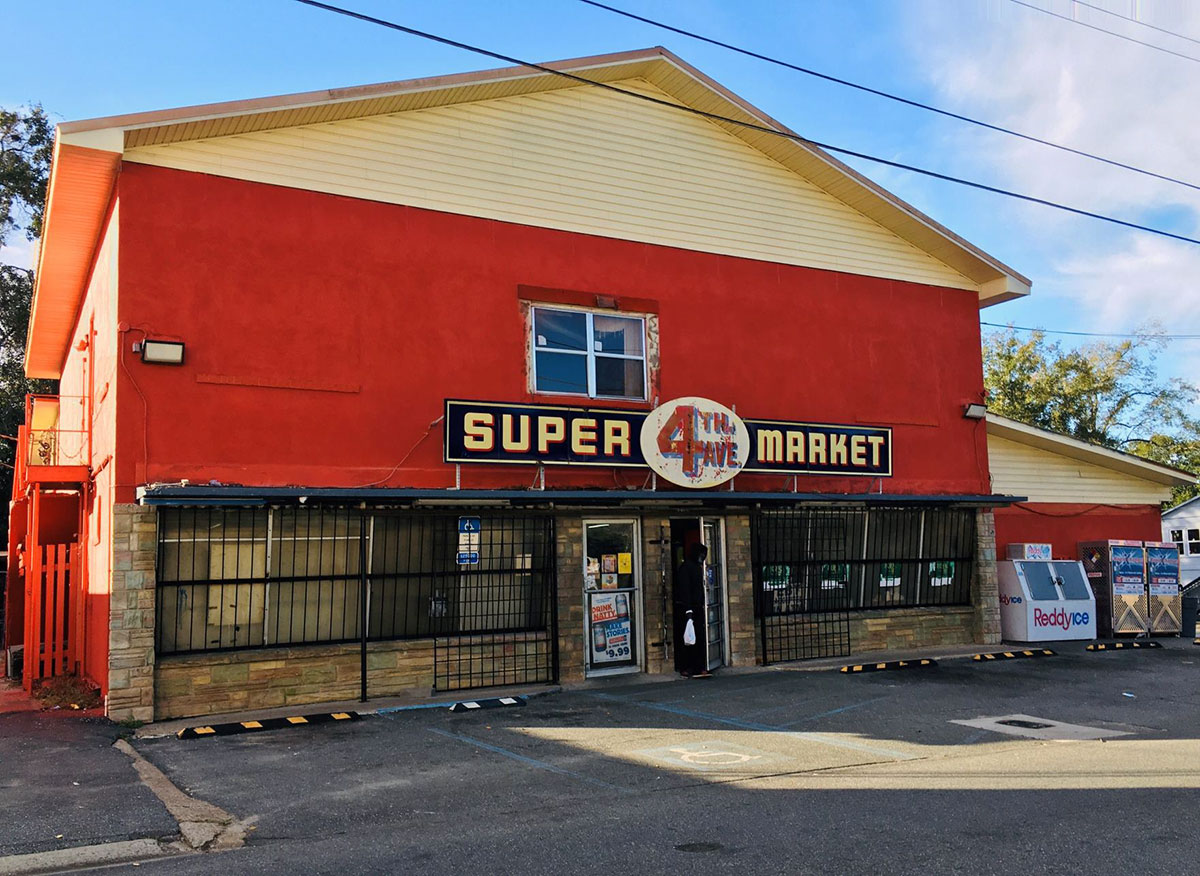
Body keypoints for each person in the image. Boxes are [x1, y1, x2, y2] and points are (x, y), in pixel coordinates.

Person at [674, 542, 711, 678]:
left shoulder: (696, 567)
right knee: (688, 639)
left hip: (697, 607)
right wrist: (688, 609)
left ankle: (698, 666)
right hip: (688, 609)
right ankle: (686, 667)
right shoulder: (686, 568)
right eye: (701, 554)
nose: (703, 557)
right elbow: (685, 590)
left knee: (698, 638)